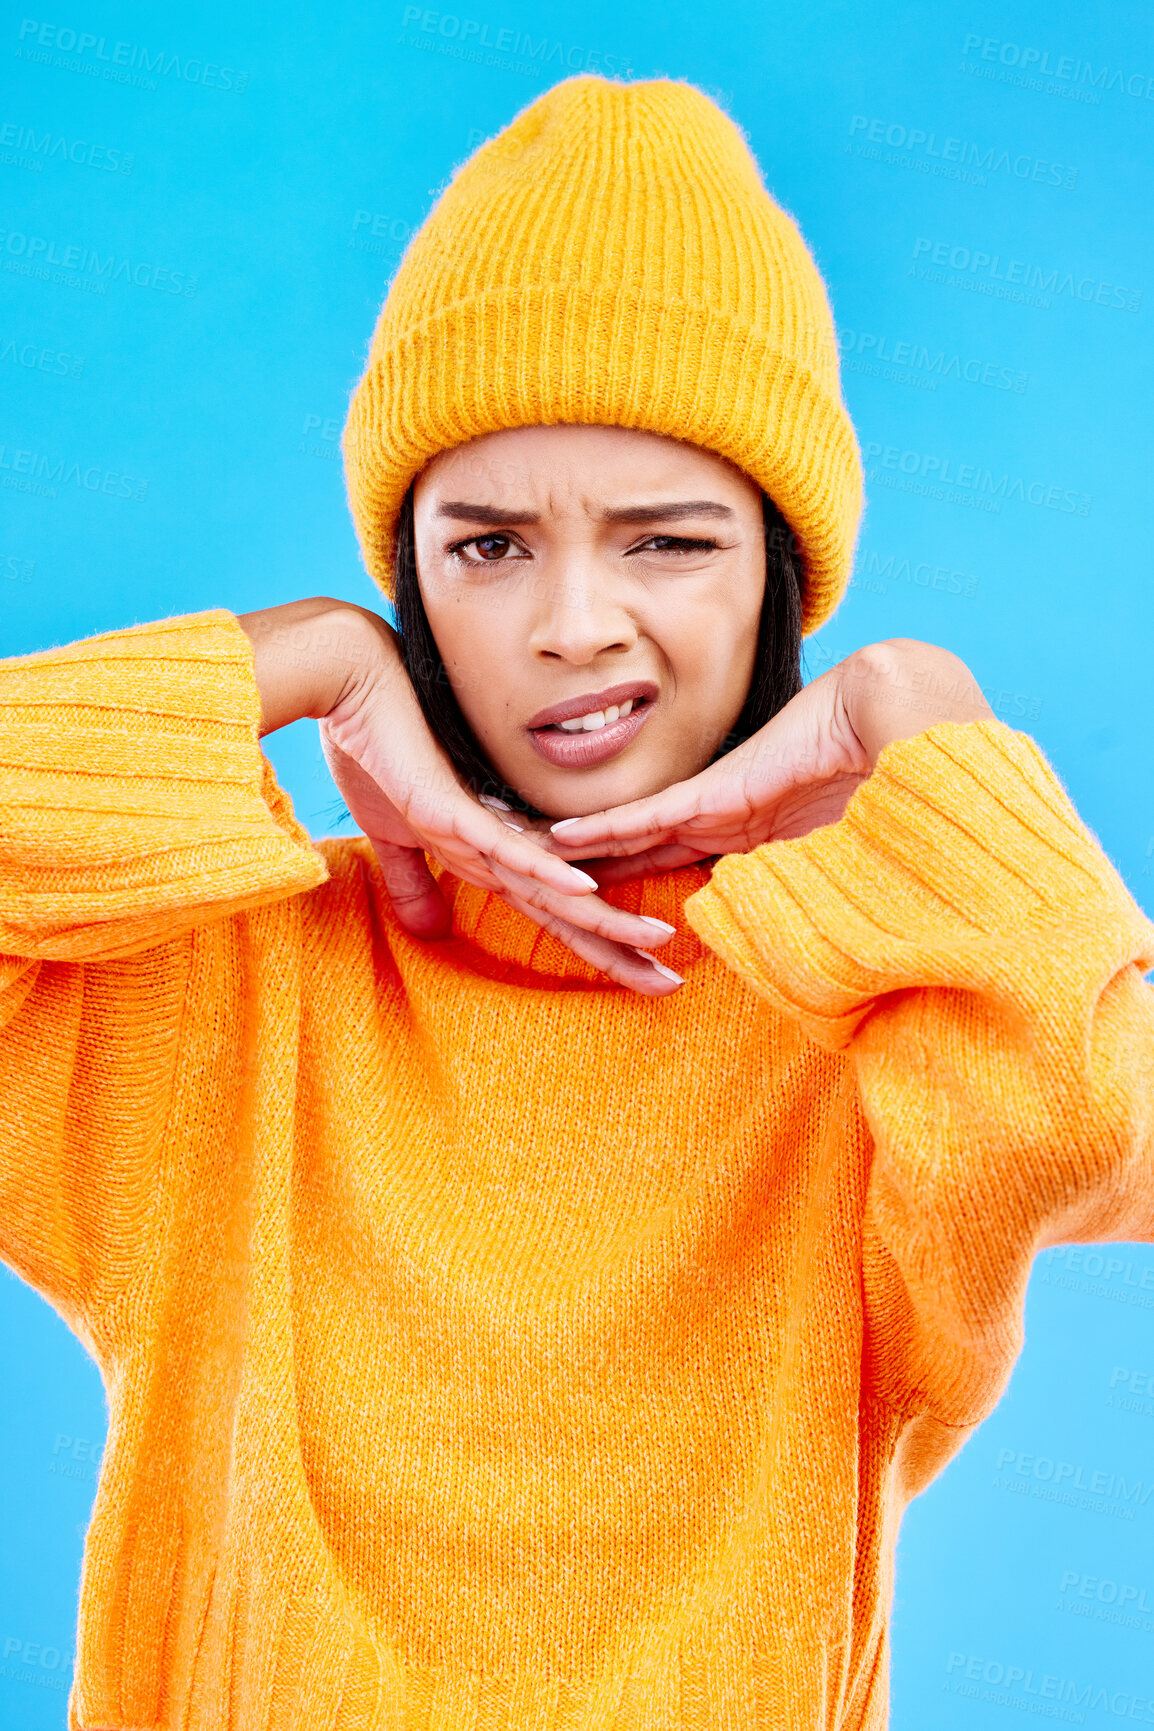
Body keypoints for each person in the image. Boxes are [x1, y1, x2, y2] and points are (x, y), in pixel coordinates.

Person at [1, 71, 1152, 1731]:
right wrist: (300, 655)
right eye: (483, 547)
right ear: (414, 577)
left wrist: (928, 722)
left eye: (667, 542)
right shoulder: (231, 981)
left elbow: (1083, 1116)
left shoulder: (878, 1025)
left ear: (775, 575)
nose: (570, 624)